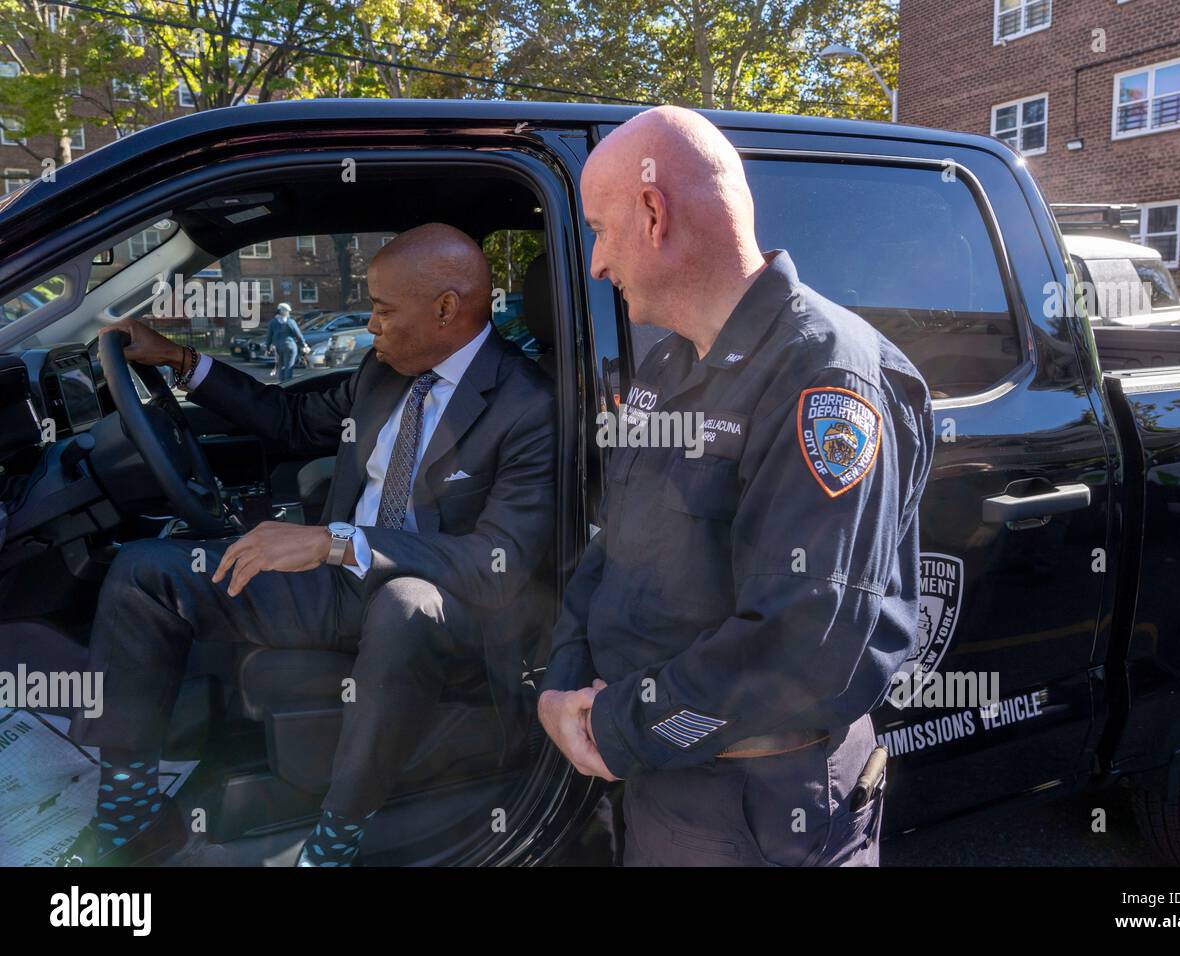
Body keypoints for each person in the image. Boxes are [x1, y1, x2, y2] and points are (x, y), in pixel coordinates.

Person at [60, 223, 556, 867]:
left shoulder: (529, 404)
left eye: (382, 310)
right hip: (343, 585)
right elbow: (290, 421)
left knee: (404, 602)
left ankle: (338, 836)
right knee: (144, 572)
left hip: (449, 612)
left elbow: (500, 565)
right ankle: (130, 812)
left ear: (445, 307)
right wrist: (182, 361)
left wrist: (335, 540)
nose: (370, 327)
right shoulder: (385, 372)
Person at [538, 106, 934, 867]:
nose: (595, 262)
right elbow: (613, 545)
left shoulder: (825, 378)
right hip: (668, 775)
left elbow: (799, 640)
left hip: (757, 802)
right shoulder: (668, 367)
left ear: (654, 212)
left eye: (600, 228)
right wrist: (564, 686)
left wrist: (621, 726)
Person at [264, 302, 309, 381]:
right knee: (289, 366)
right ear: (282, 311)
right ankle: (288, 385)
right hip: (290, 346)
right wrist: (303, 344)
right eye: (287, 311)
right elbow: (298, 334)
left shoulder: (273, 322)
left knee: (281, 366)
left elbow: (269, 336)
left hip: (278, 347)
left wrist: (267, 348)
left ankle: (282, 385)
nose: (288, 313)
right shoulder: (290, 322)